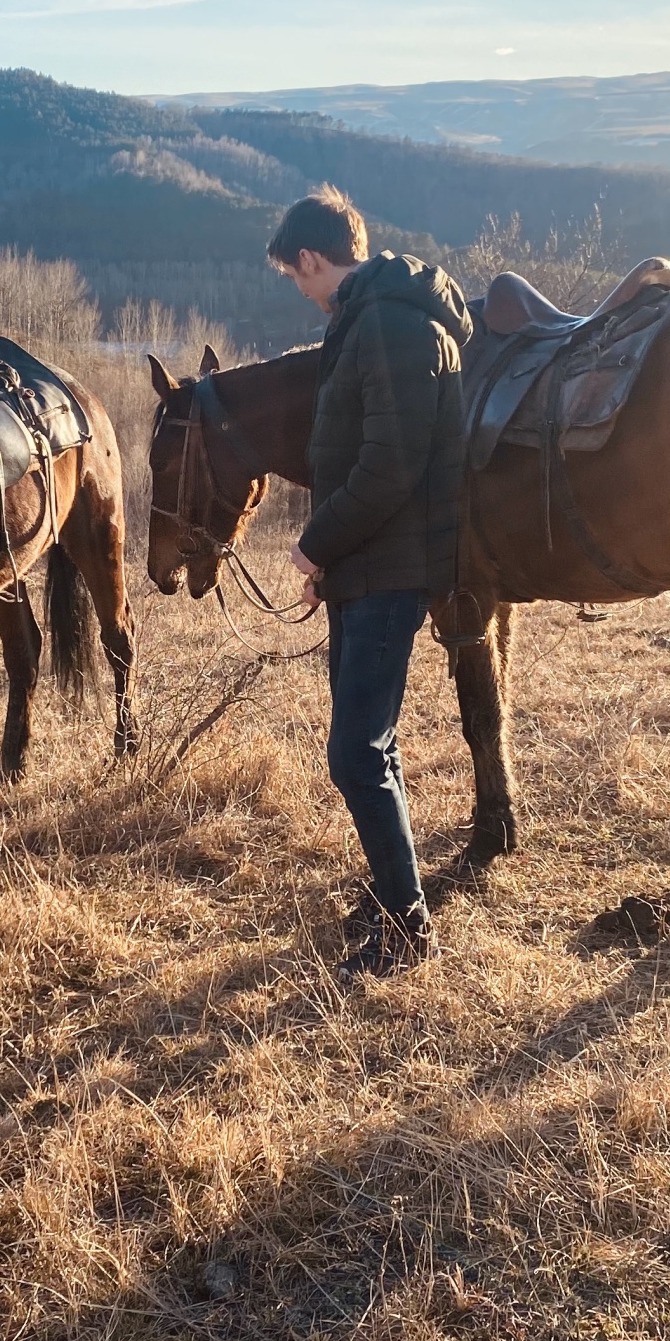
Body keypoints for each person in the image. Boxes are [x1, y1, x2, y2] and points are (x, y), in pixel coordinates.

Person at [272, 189, 469, 977]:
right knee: (363, 751)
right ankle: (394, 899)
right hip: (368, 568)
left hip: (394, 570)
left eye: (294, 274)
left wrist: (316, 546)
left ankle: (408, 925)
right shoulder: (370, 320)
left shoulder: (388, 324)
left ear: (312, 259)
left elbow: (391, 466)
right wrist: (334, 569)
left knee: (357, 753)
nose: (299, 287)